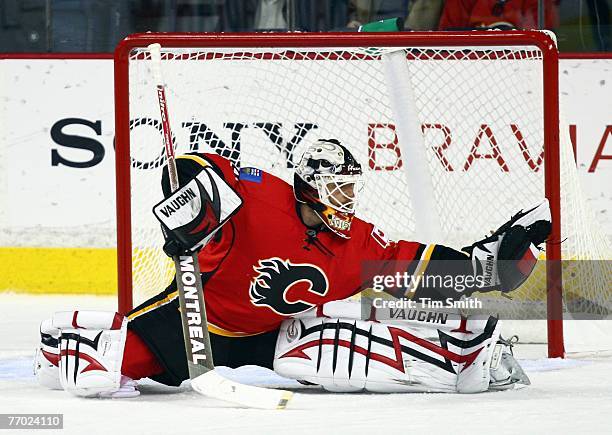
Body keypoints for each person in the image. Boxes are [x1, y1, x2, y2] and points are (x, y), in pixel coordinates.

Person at [34, 139, 550, 398]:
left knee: (327, 354)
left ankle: (461, 356)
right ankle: (64, 336)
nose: (346, 201)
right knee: (92, 379)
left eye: (351, 189)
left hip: (269, 332)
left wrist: (486, 270)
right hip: (192, 323)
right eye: (337, 189)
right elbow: (193, 164)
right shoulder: (262, 196)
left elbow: (409, 265)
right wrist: (193, 208)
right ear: (308, 186)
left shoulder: (355, 240)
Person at [438, 0, 559, 30]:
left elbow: (545, 42)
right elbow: (447, 39)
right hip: (470, 65)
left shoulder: (539, 3)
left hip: (522, 68)